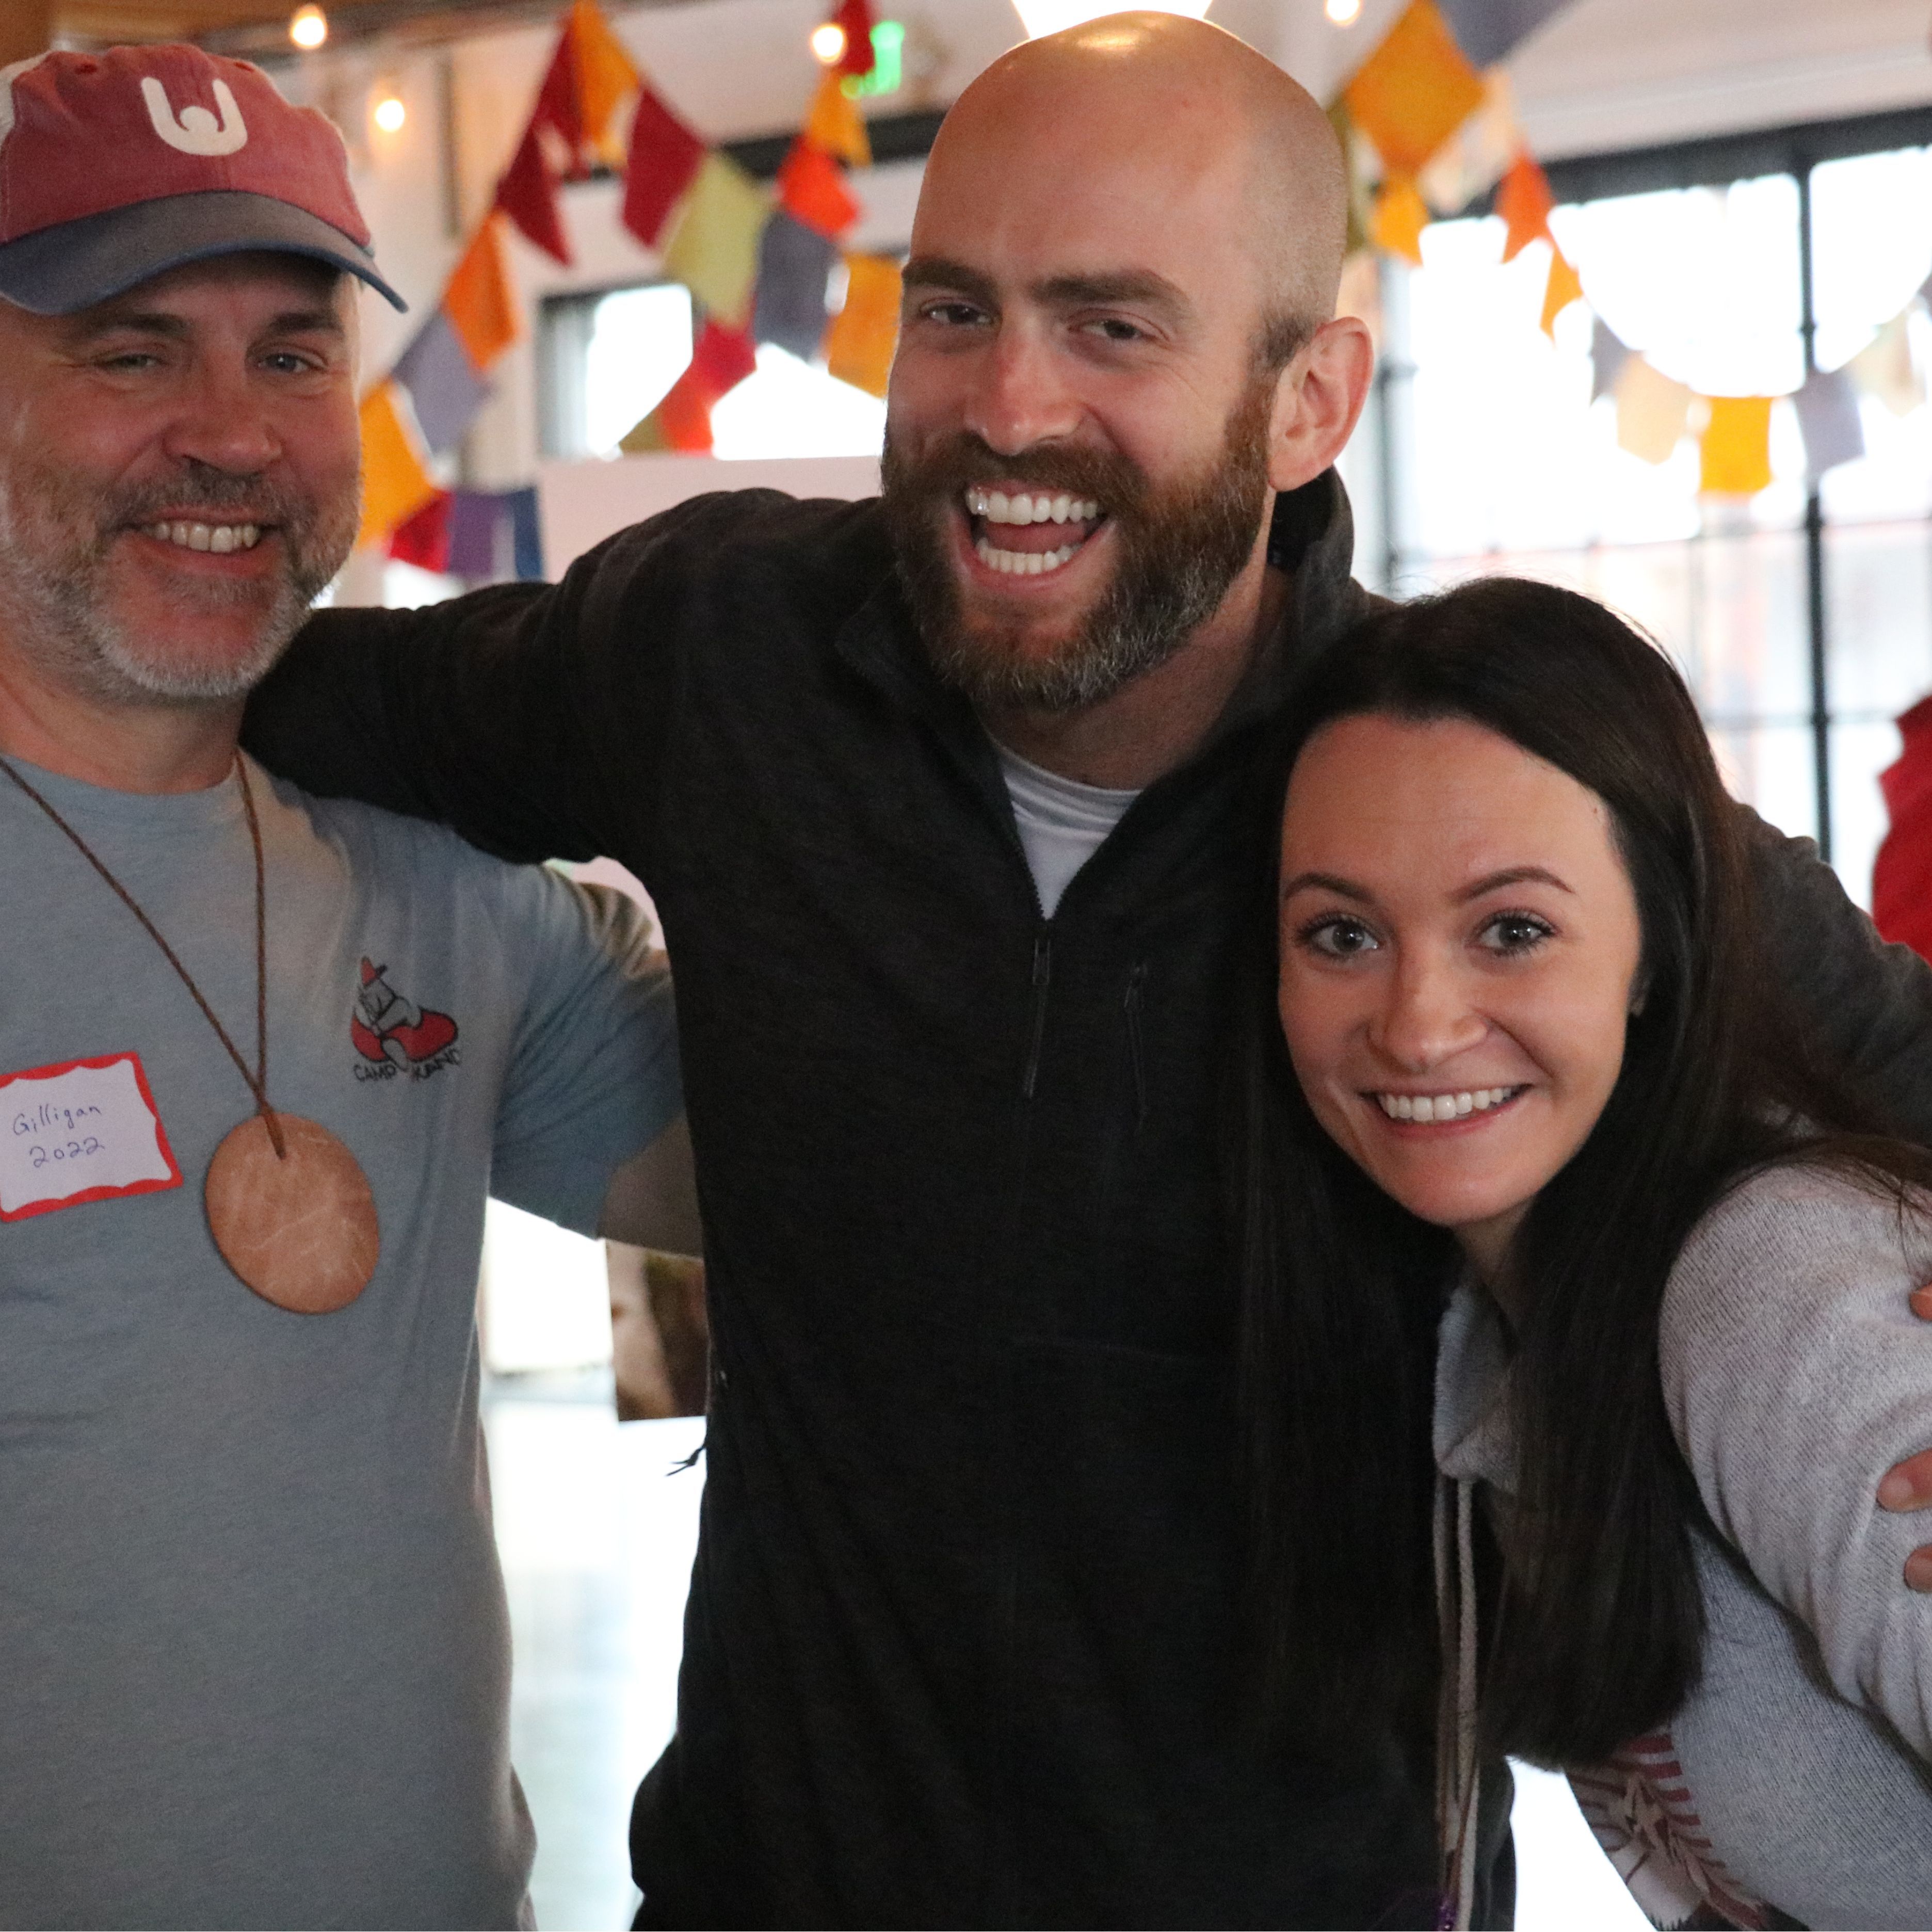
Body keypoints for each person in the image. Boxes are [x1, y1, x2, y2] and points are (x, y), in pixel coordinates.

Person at [244, 15, 1932, 1925]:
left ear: (1309, 401)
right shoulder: (729, 649)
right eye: (951, 312)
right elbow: (312, 696)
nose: (1008, 409)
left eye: (1113, 325)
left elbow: (1885, 1046)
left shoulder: (1439, 796)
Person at [0, 44, 697, 1928]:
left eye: (294, 355)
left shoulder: (432, 869)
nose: (231, 434)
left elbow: (810, 1166)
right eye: (131, 350)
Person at [1254, 576, 1932, 1929]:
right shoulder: (1478, 1338)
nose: (1417, 1023)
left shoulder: (1772, 1289)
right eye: (1343, 936)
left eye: (1513, 930)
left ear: (1651, 951)